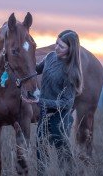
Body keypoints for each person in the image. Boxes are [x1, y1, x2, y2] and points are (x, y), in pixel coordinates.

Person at [35, 30, 83, 175]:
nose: (56, 48)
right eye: (56, 43)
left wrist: (39, 100)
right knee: (40, 155)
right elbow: (36, 70)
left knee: (64, 158)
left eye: (61, 46)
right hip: (44, 115)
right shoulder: (50, 57)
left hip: (59, 120)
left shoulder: (72, 72)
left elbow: (66, 103)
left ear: (71, 50)